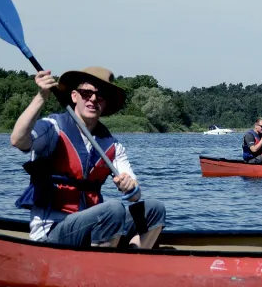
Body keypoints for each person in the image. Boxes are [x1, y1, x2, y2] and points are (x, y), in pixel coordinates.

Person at [10, 67, 166, 249]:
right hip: (53, 231)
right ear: (74, 96)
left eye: (99, 96)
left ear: (105, 103)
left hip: (92, 228)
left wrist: (130, 186)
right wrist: (41, 97)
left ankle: (133, 258)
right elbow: (18, 140)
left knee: (155, 209)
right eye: (86, 93)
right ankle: (103, 266)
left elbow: (134, 195)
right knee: (113, 209)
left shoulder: (112, 146)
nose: (93, 99)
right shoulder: (53, 128)